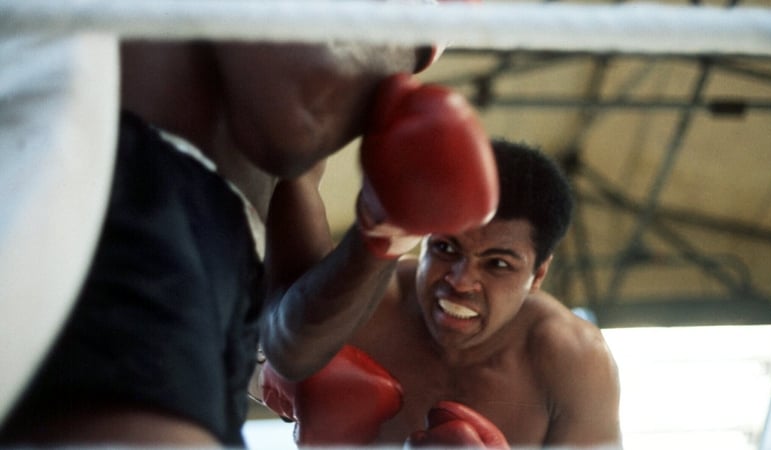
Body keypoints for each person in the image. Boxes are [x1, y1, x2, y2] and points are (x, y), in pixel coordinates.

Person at [0, 17, 500, 446]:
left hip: (209, 261)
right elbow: (296, 115)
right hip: (123, 169)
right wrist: (426, 24)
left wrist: (383, 234)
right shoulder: (291, 79)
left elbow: (288, 343)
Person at [259, 139, 622, 448]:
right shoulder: (358, 305)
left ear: (538, 273)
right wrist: (265, 369)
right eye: (446, 248)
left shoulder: (572, 358)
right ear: (423, 238)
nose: (461, 282)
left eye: (497, 265)